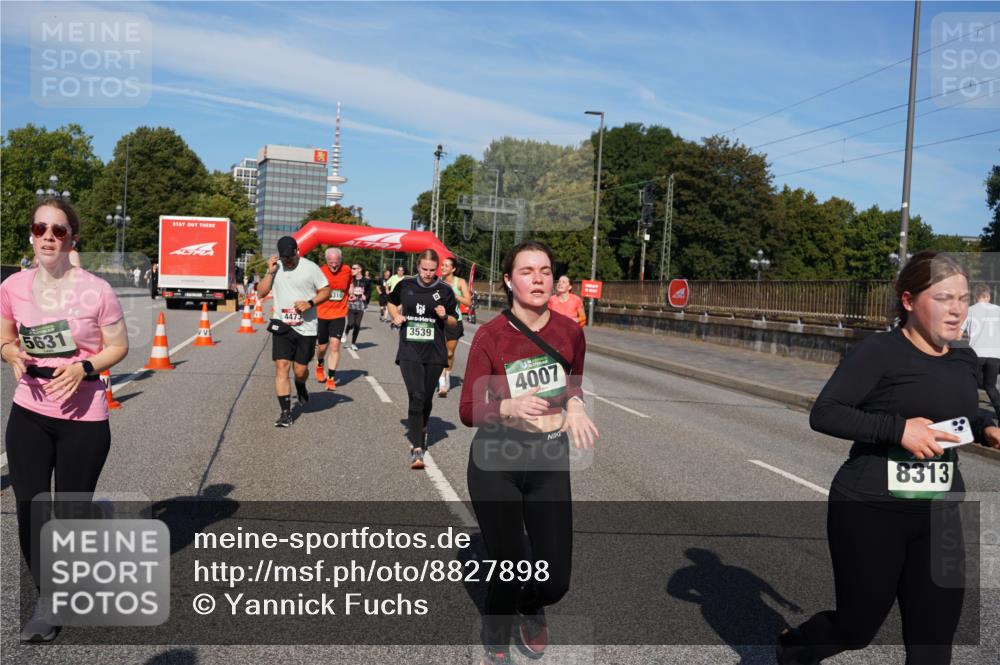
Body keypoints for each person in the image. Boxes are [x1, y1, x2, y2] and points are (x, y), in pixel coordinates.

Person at [777, 251, 1000, 665]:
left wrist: (985, 425)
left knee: (933, 646)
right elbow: (825, 412)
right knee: (856, 628)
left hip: (942, 512)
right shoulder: (878, 352)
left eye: (963, 298)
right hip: (870, 508)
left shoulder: (964, 360)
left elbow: (959, 417)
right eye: (944, 298)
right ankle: (795, 648)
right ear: (909, 300)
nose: (956, 310)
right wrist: (899, 430)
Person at [459, 241, 599, 665]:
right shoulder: (490, 336)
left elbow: (572, 385)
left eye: (544, 271)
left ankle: (530, 604)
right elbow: (467, 409)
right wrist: (506, 405)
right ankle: (496, 635)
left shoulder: (570, 332)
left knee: (555, 581)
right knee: (512, 562)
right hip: (496, 461)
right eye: (526, 271)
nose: (537, 279)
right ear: (508, 280)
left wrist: (575, 405)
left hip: (548, 459)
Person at [1, 198, 130, 642]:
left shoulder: (97, 290)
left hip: (83, 415)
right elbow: (4, 337)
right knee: (31, 510)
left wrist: (84, 368)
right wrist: (10, 353)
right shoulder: (13, 286)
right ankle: (48, 599)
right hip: (29, 410)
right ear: (31, 235)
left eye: (58, 230)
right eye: (41, 229)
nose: (48, 237)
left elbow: (117, 346)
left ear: (72, 237)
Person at [387, 249, 458, 469]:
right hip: (409, 350)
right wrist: (395, 315)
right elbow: (390, 302)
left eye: (432, 270)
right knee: (416, 396)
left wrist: (444, 316)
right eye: (424, 269)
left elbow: (455, 322)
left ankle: (422, 427)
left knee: (426, 397)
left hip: (435, 352)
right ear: (418, 266)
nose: (428, 274)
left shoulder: (444, 290)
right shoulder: (405, 285)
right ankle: (417, 448)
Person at [255, 236, 330, 427]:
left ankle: (301, 385)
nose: (287, 261)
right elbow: (261, 293)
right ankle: (286, 412)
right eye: (284, 258)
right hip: (283, 324)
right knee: (281, 366)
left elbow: (326, 291)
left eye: (290, 257)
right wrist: (270, 272)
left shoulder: (310, 267)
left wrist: (310, 303)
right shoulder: (276, 267)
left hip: (306, 327)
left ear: (297, 251)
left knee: (300, 370)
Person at [314, 247, 351, 391]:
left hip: (339, 314)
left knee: (335, 345)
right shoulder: (320, 271)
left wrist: (351, 292)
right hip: (322, 314)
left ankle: (330, 378)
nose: (334, 265)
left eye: (336, 262)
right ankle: (320, 363)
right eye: (331, 262)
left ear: (341, 260)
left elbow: (349, 284)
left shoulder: (347, 270)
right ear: (326, 261)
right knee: (322, 347)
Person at [963, 283, 1000, 421]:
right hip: (995, 355)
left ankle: (970, 414)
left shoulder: (970, 310)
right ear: (988, 296)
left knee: (972, 383)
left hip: (976, 354)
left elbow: (958, 333)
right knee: (990, 385)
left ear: (976, 296)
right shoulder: (998, 310)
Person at [439, 256, 472, 397]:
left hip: (454, 321)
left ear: (453, 269)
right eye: (442, 265)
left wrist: (454, 295)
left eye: (447, 266)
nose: (443, 268)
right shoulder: (438, 282)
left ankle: (447, 375)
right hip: (439, 321)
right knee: (440, 352)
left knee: (449, 353)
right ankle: (441, 383)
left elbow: (468, 302)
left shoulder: (460, 282)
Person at [344, 263, 368, 351]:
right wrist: (349, 295)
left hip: (360, 306)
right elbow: (345, 290)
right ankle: (346, 332)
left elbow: (368, 292)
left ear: (360, 269)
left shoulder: (366, 281)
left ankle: (353, 343)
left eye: (354, 268)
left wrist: (366, 297)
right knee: (351, 323)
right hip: (350, 305)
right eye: (352, 268)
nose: (352, 270)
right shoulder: (350, 279)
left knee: (357, 325)